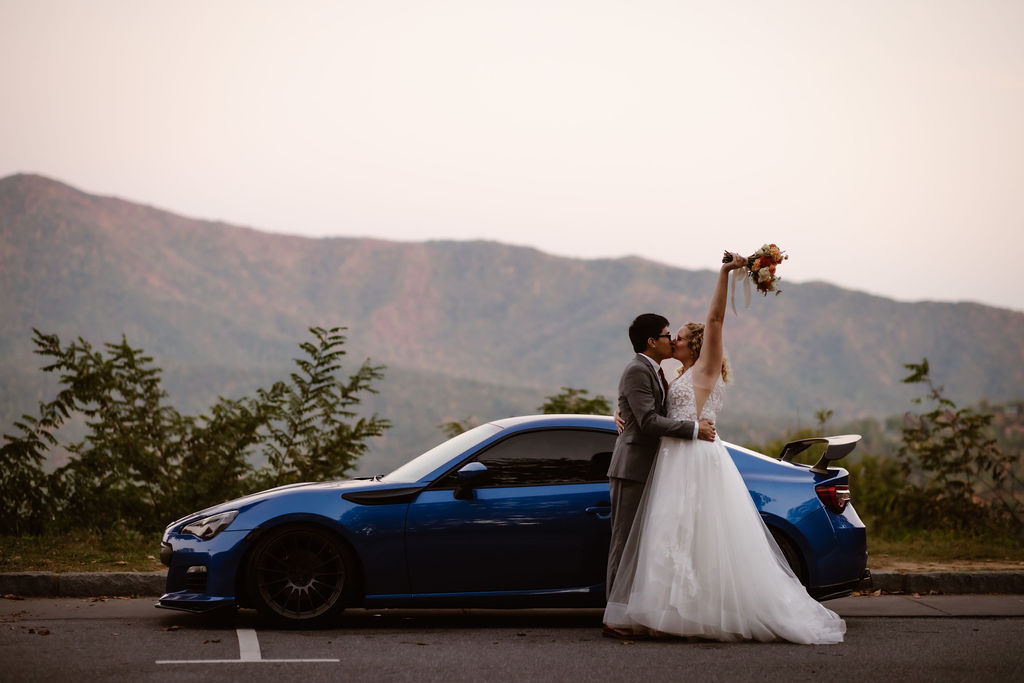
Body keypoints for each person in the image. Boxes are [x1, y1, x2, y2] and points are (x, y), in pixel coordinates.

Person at [603, 254, 846, 644]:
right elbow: (645, 408)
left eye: (679, 335)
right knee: (670, 539)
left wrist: (726, 274)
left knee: (694, 536)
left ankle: (690, 611)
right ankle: (666, 610)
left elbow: (715, 320)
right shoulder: (670, 375)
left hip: (694, 461)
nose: (674, 339)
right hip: (670, 463)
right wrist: (622, 415)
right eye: (670, 335)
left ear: (694, 343)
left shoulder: (705, 368)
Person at [604, 313, 716, 638]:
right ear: (652, 342)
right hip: (632, 469)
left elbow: (644, 410)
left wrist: (621, 409)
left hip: (652, 468)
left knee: (641, 544)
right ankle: (614, 617)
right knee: (624, 542)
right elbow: (649, 421)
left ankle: (634, 611)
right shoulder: (638, 369)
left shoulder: (657, 372)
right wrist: (694, 429)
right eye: (667, 335)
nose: (671, 340)